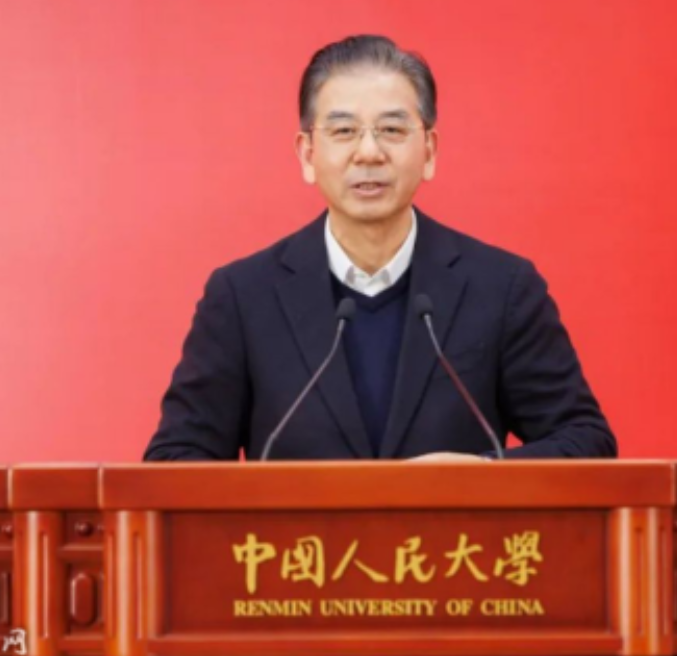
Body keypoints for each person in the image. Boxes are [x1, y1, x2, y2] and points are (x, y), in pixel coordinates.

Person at [142, 34, 615, 462]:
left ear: (429, 152)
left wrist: (483, 475)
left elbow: (586, 440)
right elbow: (175, 459)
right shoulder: (243, 297)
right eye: (343, 131)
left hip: (450, 535)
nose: (368, 153)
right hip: (296, 537)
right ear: (307, 154)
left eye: (391, 130)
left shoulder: (501, 288)